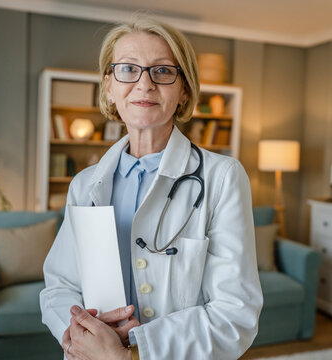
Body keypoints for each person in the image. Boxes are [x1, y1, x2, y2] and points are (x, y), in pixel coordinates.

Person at [40, 16, 263, 360]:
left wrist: (133, 352)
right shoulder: (85, 184)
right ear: (109, 87)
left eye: (162, 71)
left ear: (184, 89)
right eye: (128, 69)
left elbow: (235, 314)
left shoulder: (223, 177)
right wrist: (78, 337)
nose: (144, 85)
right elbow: (60, 286)